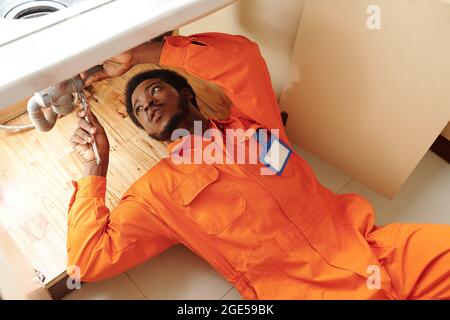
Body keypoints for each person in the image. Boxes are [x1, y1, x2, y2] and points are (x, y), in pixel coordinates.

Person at [68, 32, 450, 299]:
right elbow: (86, 262)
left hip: (376, 249)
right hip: (301, 292)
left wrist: (139, 54)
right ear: (151, 135)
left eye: (154, 90)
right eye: (138, 109)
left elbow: (242, 59)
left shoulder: (253, 126)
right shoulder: (157, 193)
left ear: (185, 93)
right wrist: (95, 169)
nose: (147, 104)